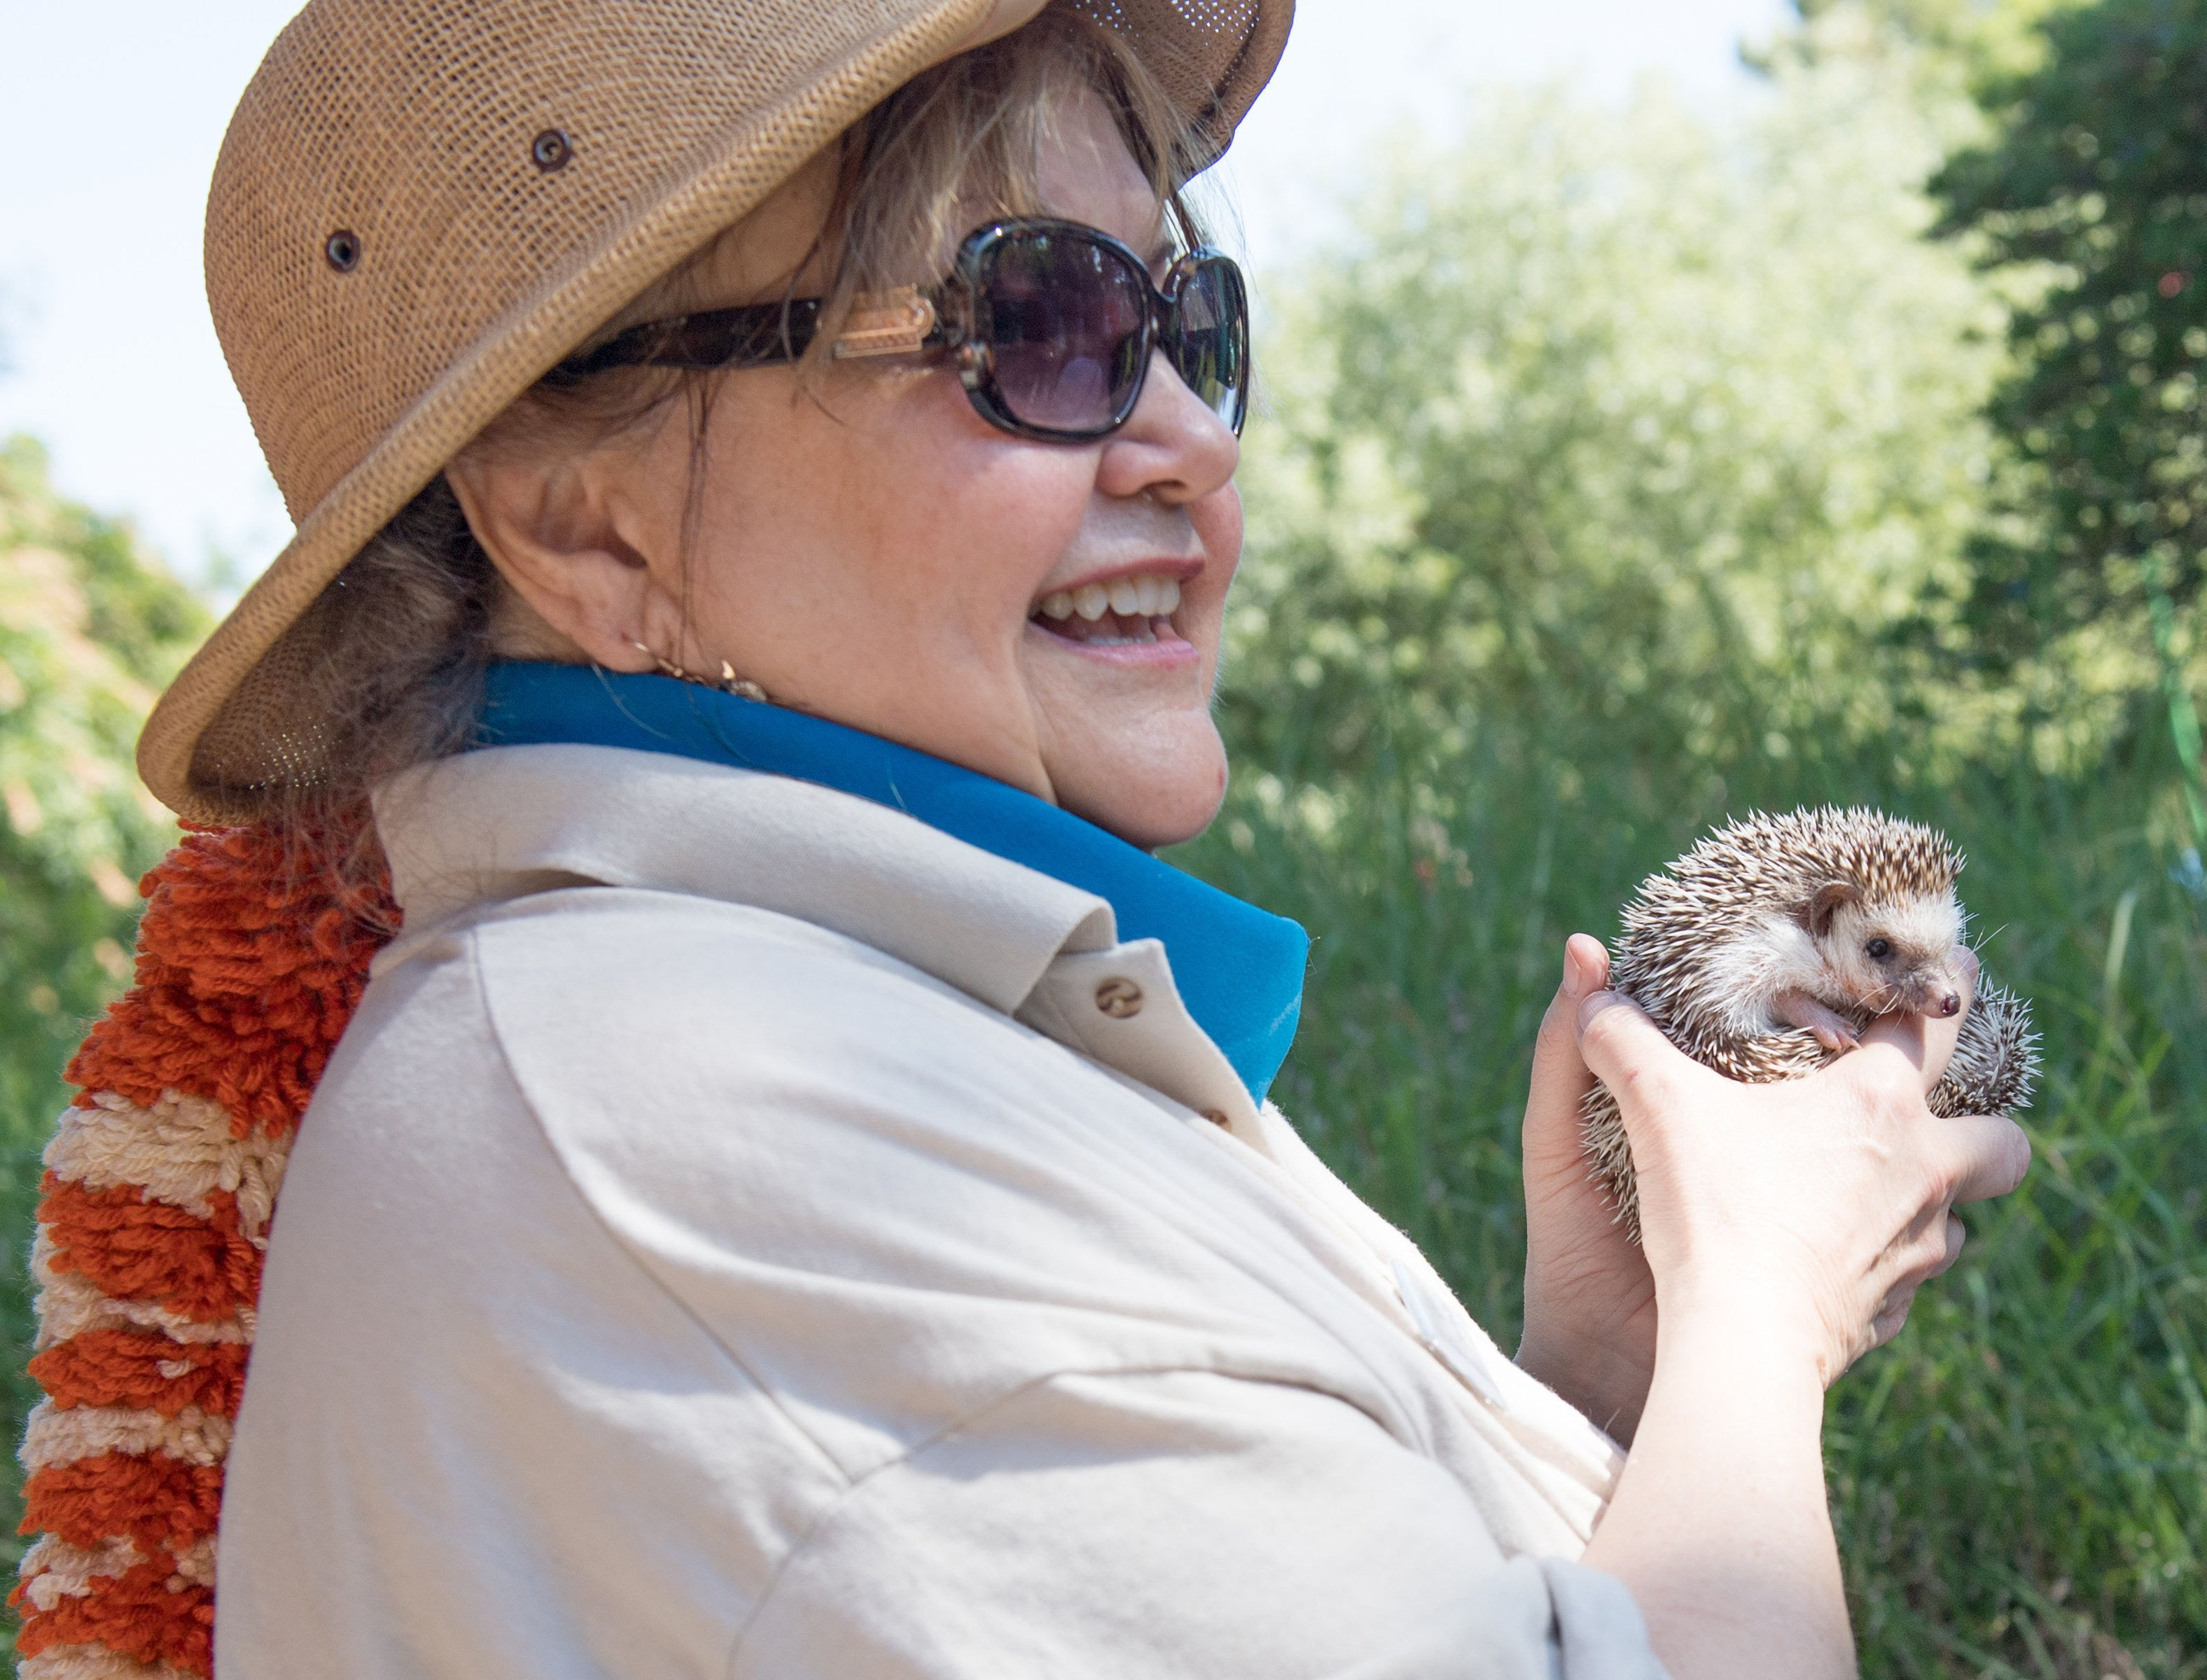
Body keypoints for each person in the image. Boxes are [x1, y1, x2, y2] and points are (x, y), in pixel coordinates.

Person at [20, 0, 2031, 1675]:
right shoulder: (724, 1121)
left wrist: (1615, 1376)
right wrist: (1763, 1320)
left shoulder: (823, 1037)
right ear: (581, 522)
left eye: (1190, 321)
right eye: (1042, 321)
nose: (1193, 435)